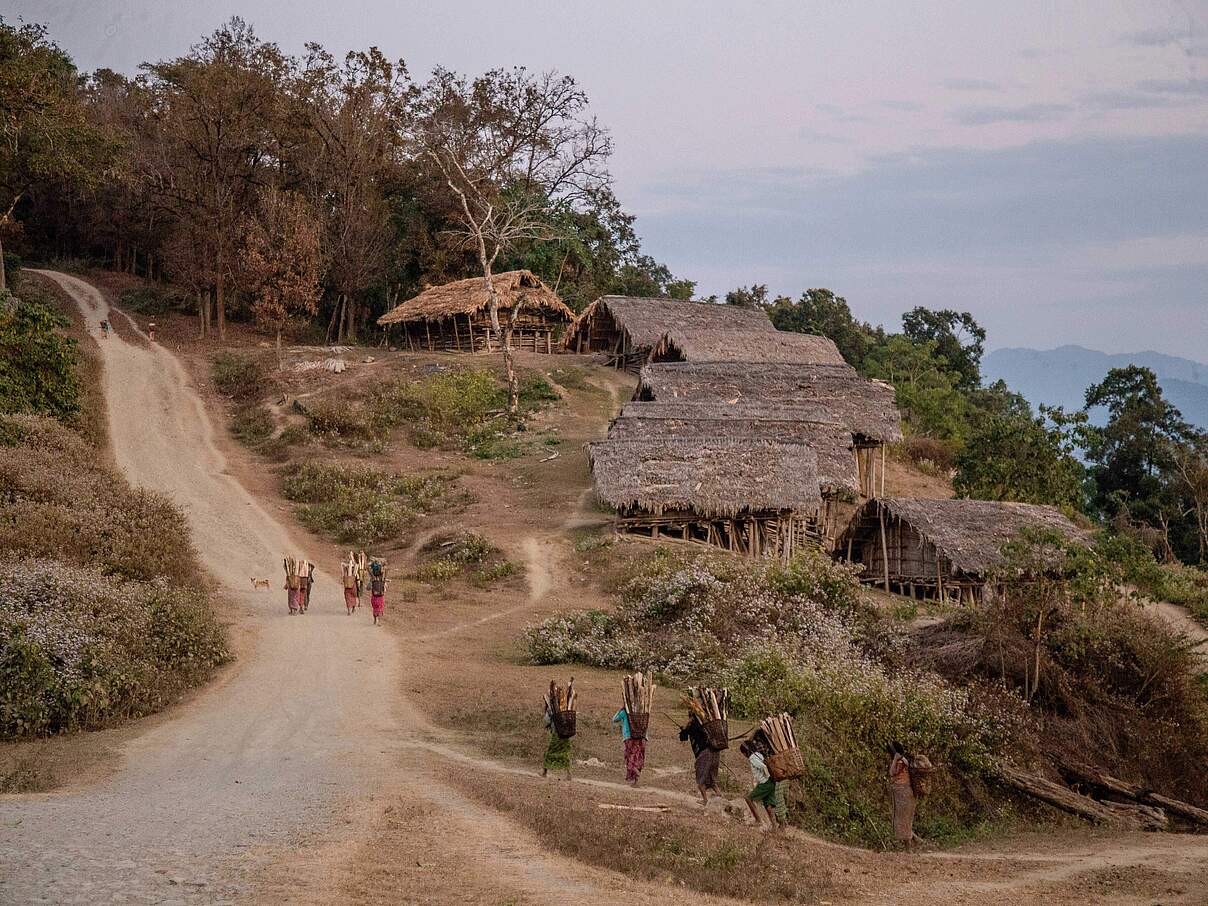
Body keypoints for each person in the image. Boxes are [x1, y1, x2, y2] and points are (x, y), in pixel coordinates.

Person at [680, 713, 722, 805]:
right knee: (712, 779)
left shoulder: (693, 726)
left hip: (704, 753)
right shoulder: (705, 725)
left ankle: (705, 800)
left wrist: (683, 729)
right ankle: (719, 795)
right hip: (715, 752)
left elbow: (683, 737)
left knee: (700, 779)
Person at [741, 739, 779, 831]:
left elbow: (763, 766)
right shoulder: (759, 754)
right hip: (771, 782)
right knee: (768, 805)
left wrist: (767, 776)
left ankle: (758, 820)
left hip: (765, 783)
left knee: (748, 798)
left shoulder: (752, 758)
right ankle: (774, 827)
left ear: (746, 752)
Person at [887, 741, 917, 850]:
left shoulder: (900, 762)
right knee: (906, 819)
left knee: (901, 819)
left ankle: (907, 846)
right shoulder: (905, 760)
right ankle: (911, 843)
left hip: (901, 792)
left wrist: (895, 759)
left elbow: (892, 772)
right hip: (907, 792)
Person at [612, 706, 645, 786]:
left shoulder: (626, 711)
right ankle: (636, 776)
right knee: (639, 756)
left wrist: (620, 709)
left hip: (629, 737)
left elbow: (614, 719)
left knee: (629, 756)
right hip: (642, 737)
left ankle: (633, 774)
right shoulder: (642, 709)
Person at [542, 705, 572, 780]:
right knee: (565, 752)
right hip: (565, 733)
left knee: (550, 752)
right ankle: (569, 774)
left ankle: (544, 772)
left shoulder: (551, 707)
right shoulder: (566, 706)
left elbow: (546, 720)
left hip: (556, 733)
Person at [369, 560, 386, 625]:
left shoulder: (372, 579)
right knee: (380, 609)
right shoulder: (383, 580)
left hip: (374, 597)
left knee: (375, 608)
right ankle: (379, 621)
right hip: (380, 597)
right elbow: (385, 589)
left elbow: (368, 588)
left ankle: (375, 620)